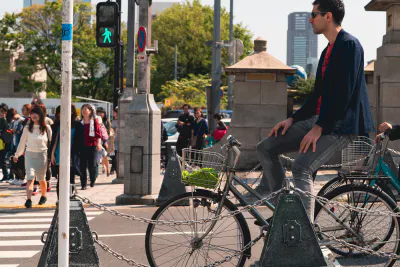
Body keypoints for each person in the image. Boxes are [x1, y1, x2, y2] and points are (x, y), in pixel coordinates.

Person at [255, 0, 374, 220]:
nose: (310, 19)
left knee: (301, 167)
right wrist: (292, 119)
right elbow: (317, 95)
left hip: (342, 127)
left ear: (328, 16)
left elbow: (343, 95)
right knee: (266, 147)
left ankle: (303, 236)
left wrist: (318, 128)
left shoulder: (349, 45)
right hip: (320, 121)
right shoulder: (327, 50)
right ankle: (285, 212)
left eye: (314, 14)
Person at [13, 107, 52, 208]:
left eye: (36, 113)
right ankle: (28, 200)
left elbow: (51, 143)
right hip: (29, 154)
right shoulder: (27, 128)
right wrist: (17, 155)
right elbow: (22, 142)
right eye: (32, 114)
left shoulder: (46, 128)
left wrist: (51, 157)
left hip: (42, 155)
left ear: (41, 115)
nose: (34, 115)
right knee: (30, 177)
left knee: (41, 179)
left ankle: (43, 196)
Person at [50, 105, 83, 198]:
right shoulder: (55, 126)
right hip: (58, 155)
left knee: (70, 178)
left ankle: (67, 199)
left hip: (72, 156)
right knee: (60, 179)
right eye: (61, 112)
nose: (63, 114)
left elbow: (80, 143)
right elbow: (52, 142)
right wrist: (52, 154)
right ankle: (60, 200)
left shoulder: (78, 126)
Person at [80, 104, 102, 190]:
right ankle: (83, 184)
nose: (84, 111)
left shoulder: (94, 121)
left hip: (93, 146)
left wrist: (99, 143)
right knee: (82, 166)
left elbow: (98, 134)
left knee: (92, 165)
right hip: (82, 146)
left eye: (86, 109)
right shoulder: (80, 122)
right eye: (83, 109)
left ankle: (92, 179)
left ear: (90, 111)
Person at [8, 108, 25, 185]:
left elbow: (21, 132)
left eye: (13, 117)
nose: (13, 119)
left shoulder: (22, 121)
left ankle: (21, 178)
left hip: (20, 144)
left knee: (20, 162)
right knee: (14, 162)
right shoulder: (13, 121)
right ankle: (16, 177)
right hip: (14, 143)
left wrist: (15, 131)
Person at [96, 107, 112, 177]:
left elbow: (109, 130)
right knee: (100, 155)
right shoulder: (95, 120)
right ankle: (103, 167)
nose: (100, 114)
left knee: (105, 155)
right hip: (98, 141)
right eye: (98, 113)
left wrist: (106, 140)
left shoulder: (106, 121)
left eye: (102, 113)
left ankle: (107, 169)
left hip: (105, 140)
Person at [0, 104, 10, 182]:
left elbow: (7, 131)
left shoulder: (7, 121)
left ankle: (7, 176)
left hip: (6, 143)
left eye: (2, 111)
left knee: (4, 160)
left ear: (6, 112)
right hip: (1, 143)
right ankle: (6, 175)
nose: (0, 113)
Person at [110, 107, 118, 176]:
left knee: (115, 155)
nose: (113, 114)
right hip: (112, 140)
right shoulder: (111, 120)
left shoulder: (121, 121)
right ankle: (113, 168)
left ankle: (113, 168)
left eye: (114, 112)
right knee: (113, 155)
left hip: (119, 141)